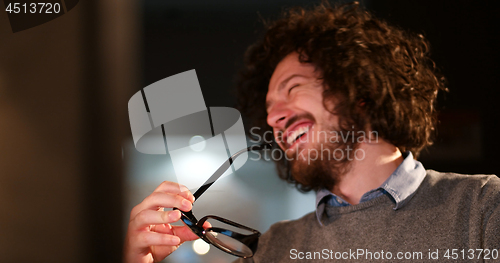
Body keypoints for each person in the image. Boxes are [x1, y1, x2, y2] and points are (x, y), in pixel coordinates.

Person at [125, 2, 500, 262]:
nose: (275, 119)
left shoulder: (484, 209)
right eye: (269, 110)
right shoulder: (270, 251)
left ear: (361, 90)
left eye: (293, 89)